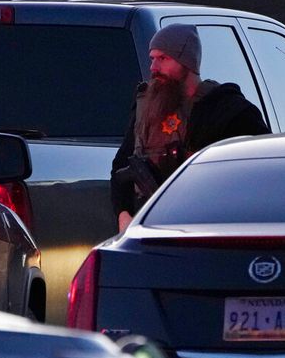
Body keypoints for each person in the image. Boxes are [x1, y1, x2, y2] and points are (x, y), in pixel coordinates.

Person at [110, 23, 270, 232]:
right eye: (152, 58)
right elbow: (120, 167)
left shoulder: (228, 110)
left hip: (206, 229)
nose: (153, 68)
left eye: (163, 58)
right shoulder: (145, 108)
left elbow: (263, 173)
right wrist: (124, 215)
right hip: (148, 229)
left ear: (187, 62)